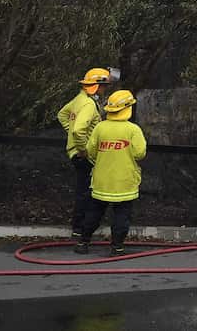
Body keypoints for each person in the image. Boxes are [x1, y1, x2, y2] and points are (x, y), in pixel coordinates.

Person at [75, 90, 147, 256]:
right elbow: (140, 153)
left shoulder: (100, 127)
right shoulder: (133, 130)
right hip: (125, 183)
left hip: (101, 182)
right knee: (122, 216)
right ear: (127, 108)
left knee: (94, 213)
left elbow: (90, 151)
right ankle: (117, 247)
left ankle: (83, 243)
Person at [57, 67, 110, 239]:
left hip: (75, 152)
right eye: (103, 86)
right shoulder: (88, 104)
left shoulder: (79, 99)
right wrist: (83, 149)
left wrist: (72, 134)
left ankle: (79, 226)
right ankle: (80, 228)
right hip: (83, 155)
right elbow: (79, 130)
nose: (105, 90)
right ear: (96, 85)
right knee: (87, 192)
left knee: (83, 190)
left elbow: (62, 115)